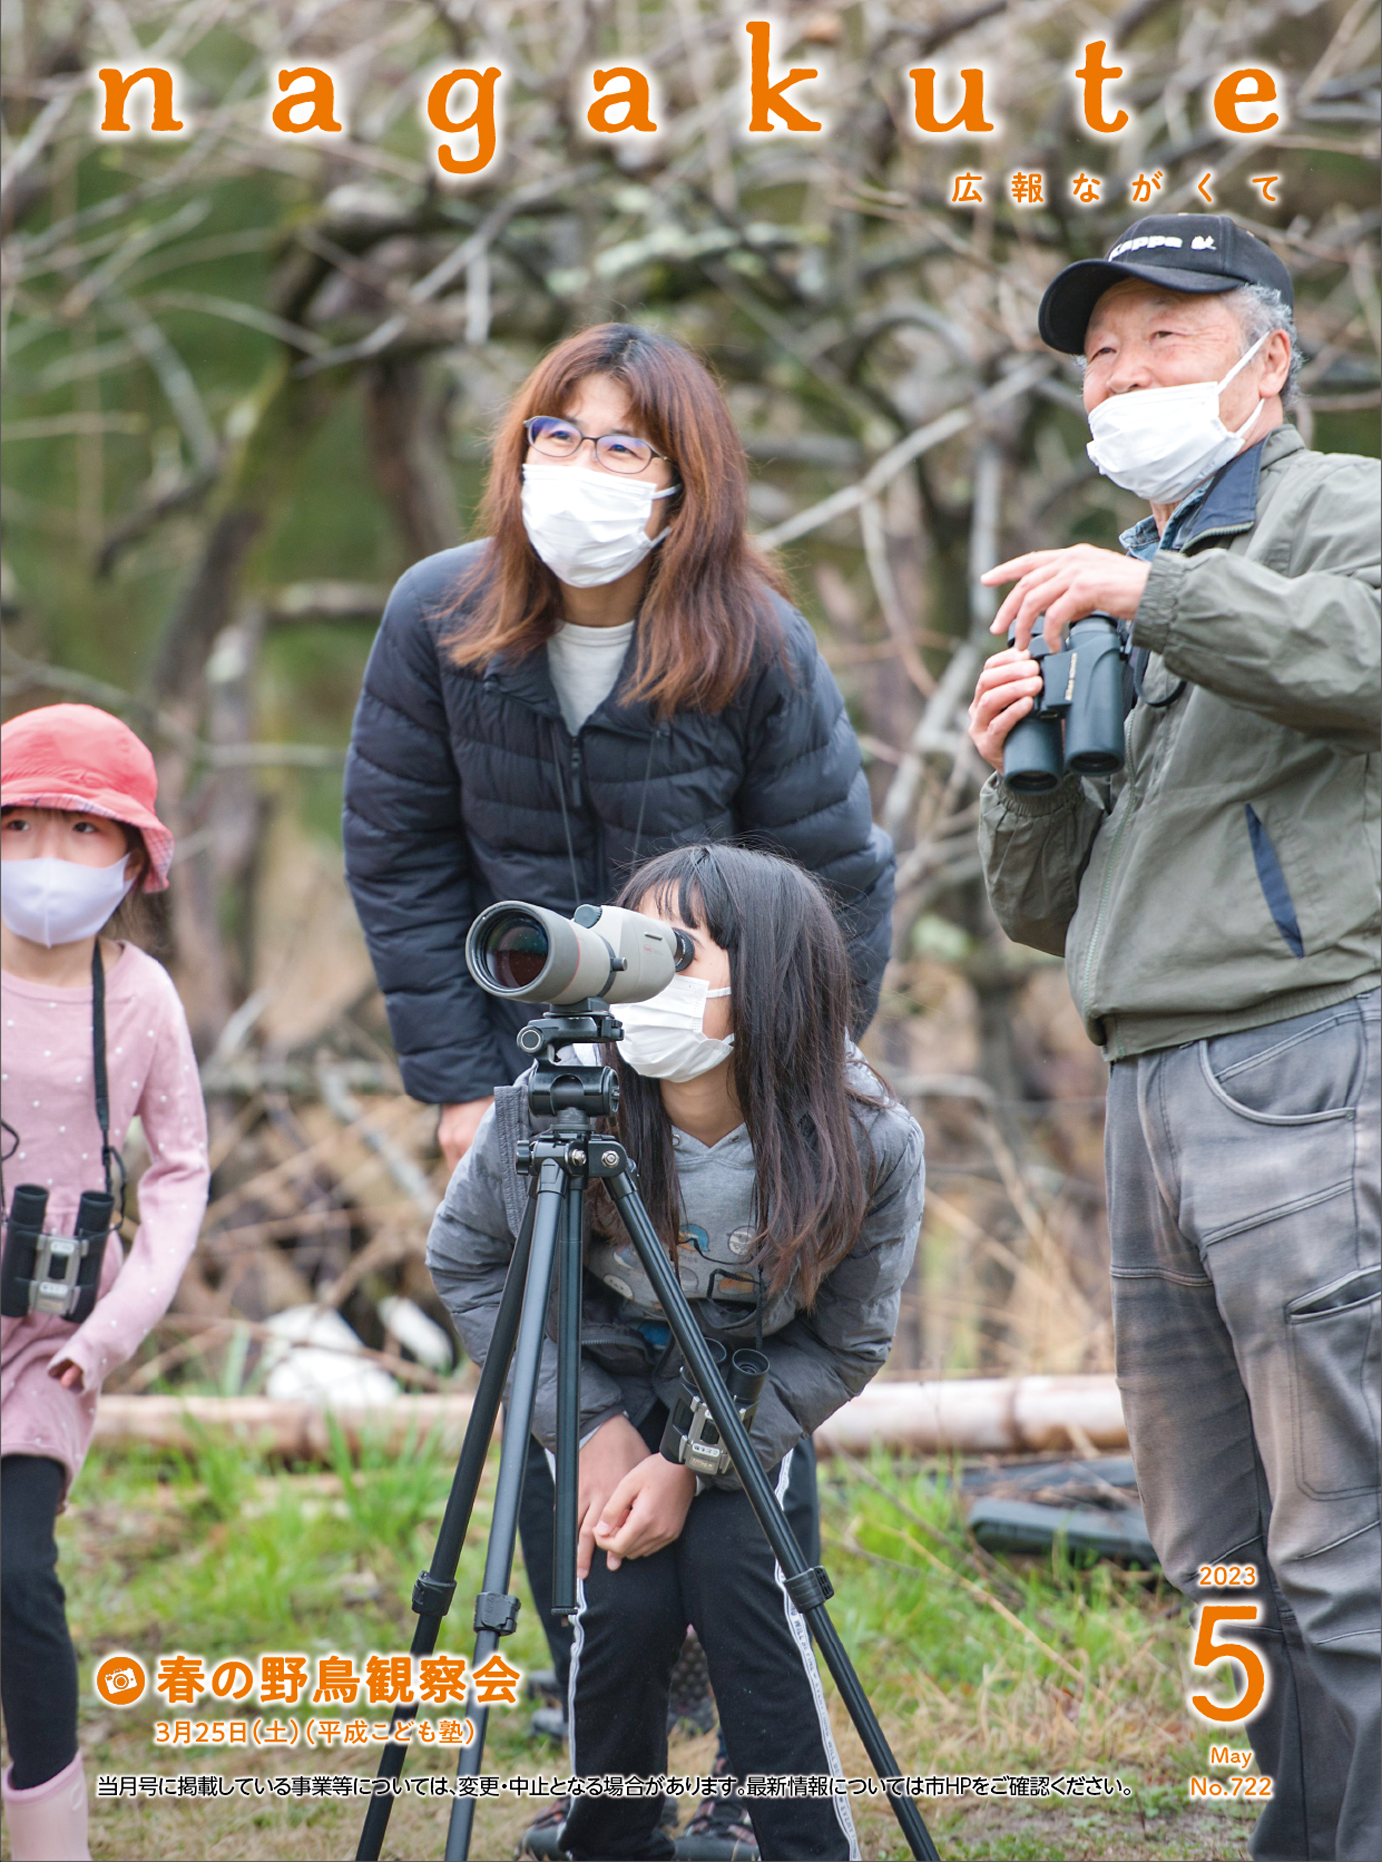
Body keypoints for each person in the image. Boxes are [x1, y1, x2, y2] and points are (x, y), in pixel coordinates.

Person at [342, 320, 894, 1851]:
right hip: (532, 1072)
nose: (578, 473)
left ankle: (751, 1791)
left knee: (734, 1392)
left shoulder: (756, 645)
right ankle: (611, 1786)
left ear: (682, 480)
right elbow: (396, 854)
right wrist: (460, 1079)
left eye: (621, 446)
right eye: (554, 439)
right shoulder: (435, 616)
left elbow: (832, 888)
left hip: (719, 1065)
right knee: (550, 1400)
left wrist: (775, 1084)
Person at [967, 213, 1379, 1862]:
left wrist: (1155, 594)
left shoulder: (1336, 510)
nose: (1123, 376)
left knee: (1344, 1538)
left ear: (1267, 360)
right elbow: (1051, 909)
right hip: (1143, 1085)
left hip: (1305, 1061)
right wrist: (1017, 763)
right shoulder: (1106, 576)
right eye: (1100, 354)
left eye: (1164, 340)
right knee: (1207, 1551)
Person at [428, 844, 925, 1862]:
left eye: (669, 954)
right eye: (621, 946)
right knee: (613, 1596)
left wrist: (689, 1464)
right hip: (601, 1373)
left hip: (746, 1389)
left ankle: (801, 1838)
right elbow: (469, 1260)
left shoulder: (863, 1136)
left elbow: (847, 1336)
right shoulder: (557, 1100)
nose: (632, 984)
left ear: (773, 979)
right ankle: (608, 1833)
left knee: (746, 1586)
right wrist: (590, 1425)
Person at [0, 704, 210, 1862]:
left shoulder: (139, 999)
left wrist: (118, 1326)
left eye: (77, 829)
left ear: (130, 856)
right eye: (19, 822)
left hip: (54, 1330)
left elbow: (180, 1170)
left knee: (17, 1572)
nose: (42, 854)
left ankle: (50, 1836)